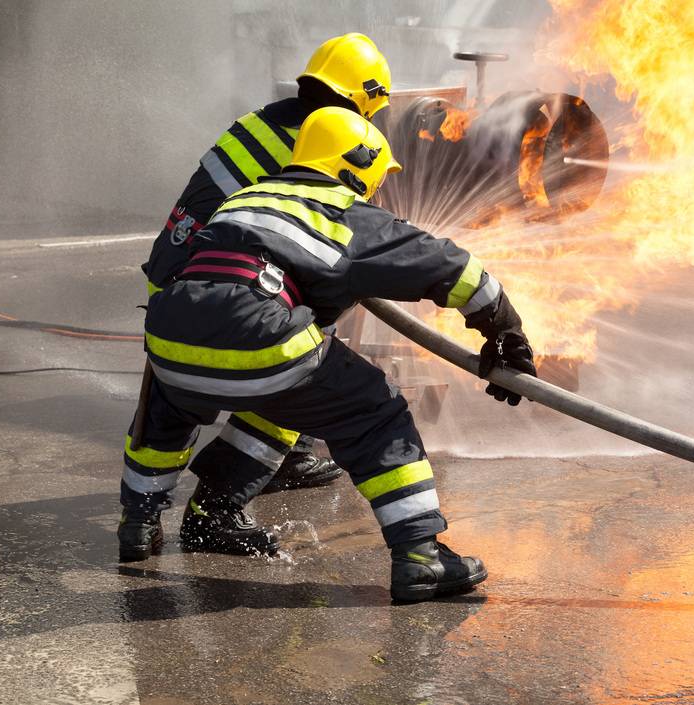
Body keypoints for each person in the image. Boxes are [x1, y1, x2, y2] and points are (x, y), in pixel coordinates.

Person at [131, 106, 538, 601]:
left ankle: (143, 524)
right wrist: (505, 332)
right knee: (375, 411)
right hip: (259, 334)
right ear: (354, 166)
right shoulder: (341, 211)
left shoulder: (248, 195)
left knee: (183, 416)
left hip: (171, 338)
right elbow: (451, 268)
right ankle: (420, 556)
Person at [119, 34, 393, 561]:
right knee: (297, 366)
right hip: (223, 286)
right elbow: (335, 230)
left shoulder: (260, 122)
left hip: (171, 284)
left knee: (168, 402)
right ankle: (217, 510)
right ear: (362, 99)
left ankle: (139, 521)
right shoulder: (318, 142)